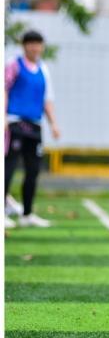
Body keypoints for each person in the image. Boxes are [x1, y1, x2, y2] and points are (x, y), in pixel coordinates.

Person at [4, 30, 61, 229]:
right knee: (8, 167)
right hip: (14, 122)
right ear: (24, 45)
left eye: (38, 44)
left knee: (33, 171)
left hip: (35, 126)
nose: (35, 47)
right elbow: (4, 88)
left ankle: (27, 214)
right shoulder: (13, 64)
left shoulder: (43, 70)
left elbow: (47, 100)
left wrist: (53, 124)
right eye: (31, 43)